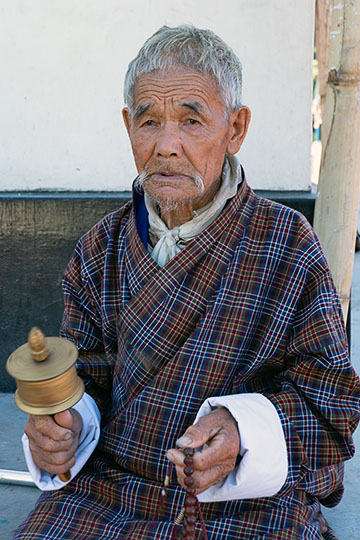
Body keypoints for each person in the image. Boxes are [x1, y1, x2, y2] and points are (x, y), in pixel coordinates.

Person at [14, 25, 360, 540]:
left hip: (244, 503)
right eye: (149, 121)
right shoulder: (100, 248)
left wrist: (244, 431)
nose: (166, 146)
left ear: (236, 128)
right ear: (128, 126)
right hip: (109, 490)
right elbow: (86, 379)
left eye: (192, 121)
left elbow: (331, 401)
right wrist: (65, 429)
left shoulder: (288, 244)